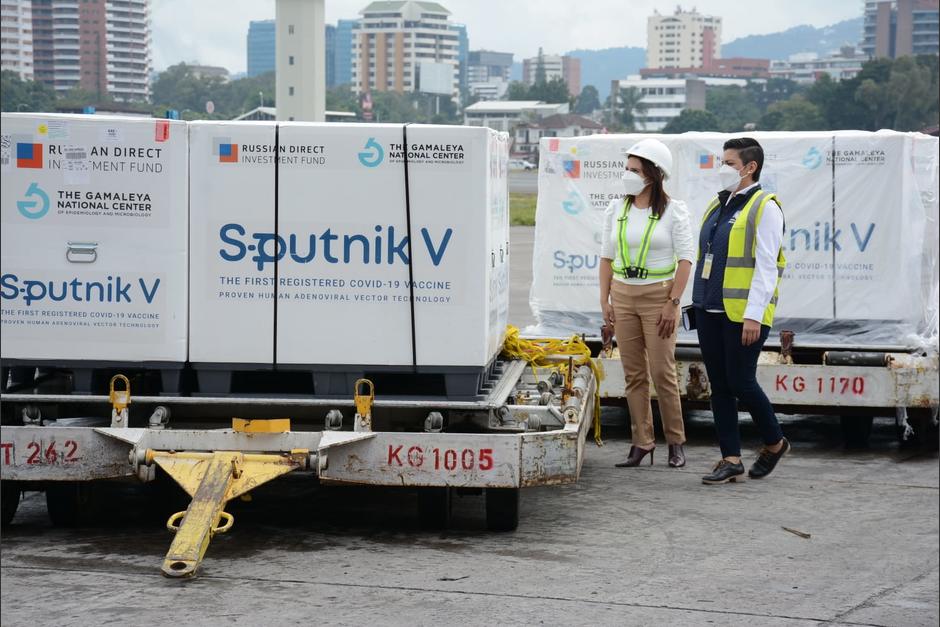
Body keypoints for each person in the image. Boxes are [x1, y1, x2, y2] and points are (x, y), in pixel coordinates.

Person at [691, 137, 790, 485]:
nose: (723, 168)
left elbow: (766, 266)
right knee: (719, 386)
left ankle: (775, 441)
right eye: (723, 161)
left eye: (730, 163)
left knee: (742, 381)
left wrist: (753, 314)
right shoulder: (718, 205)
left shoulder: (766, 207)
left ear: (751, 167)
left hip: (742, 314)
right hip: (709, 309)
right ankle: (730, 458)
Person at [599, 139, 694, 469]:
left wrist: (673, 303)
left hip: (659, 297)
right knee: (634, 375)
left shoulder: (674, 211)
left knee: (662, 372)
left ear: (654, 174)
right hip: (623, 295)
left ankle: (676, 441)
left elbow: (685, 260)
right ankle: (642, 442)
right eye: (627, 169)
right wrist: (605, 300)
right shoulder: (616, 209)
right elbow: (606, 258)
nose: (628, 175)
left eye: (635, 170)